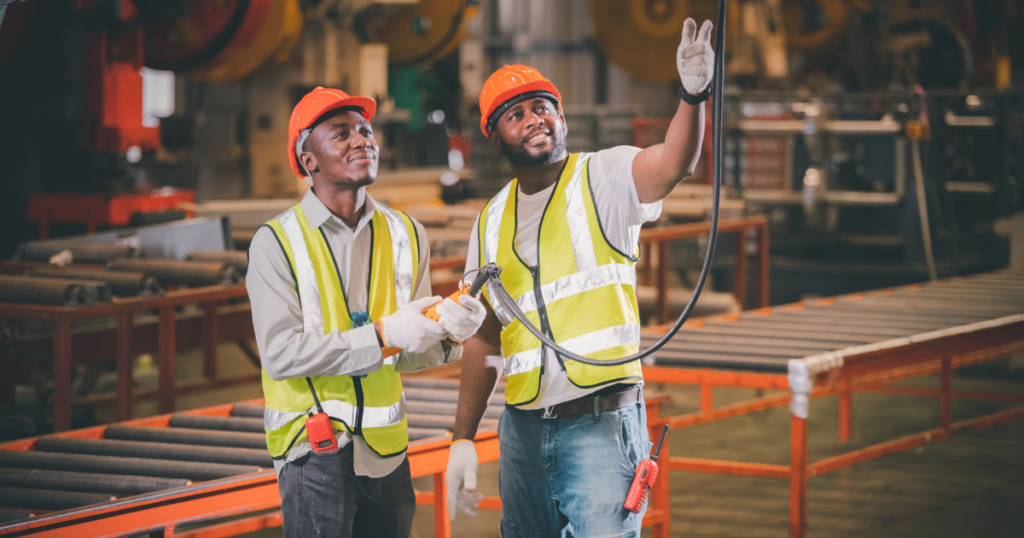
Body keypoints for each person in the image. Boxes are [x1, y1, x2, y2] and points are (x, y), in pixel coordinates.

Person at [444, 18, 716, 537]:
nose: (533, 119)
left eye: (543, 107)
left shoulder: (604, 177)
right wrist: (462, 437)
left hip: (600, 423)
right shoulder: (490, 219)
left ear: (562, 117)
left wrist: (692, 95)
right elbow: (484, 336)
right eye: (515, 115)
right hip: (522, 428)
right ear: (496, 140)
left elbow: (673, 164)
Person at [246, 87, 487, 538]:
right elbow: (280, 354)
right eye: (341, 133)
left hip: (388, 453)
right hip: (313, 452)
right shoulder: (275, 243)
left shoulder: (406, 233)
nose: (362, 140)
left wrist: (451, 331)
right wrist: (380, 335)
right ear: (308, 159)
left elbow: (409, 352)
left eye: (365, 130)